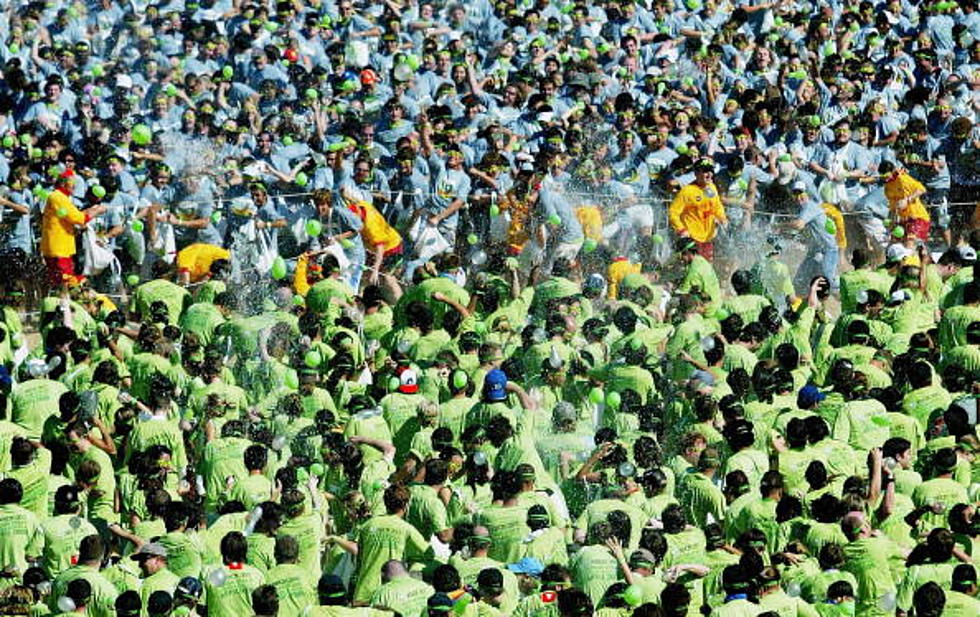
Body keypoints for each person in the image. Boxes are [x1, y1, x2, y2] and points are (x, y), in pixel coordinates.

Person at [40, 171, 108, 287]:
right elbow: (79, 219)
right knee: (66, 282)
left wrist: (91, 210)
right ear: (63, 183)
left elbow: (75, 214)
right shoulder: (57, 197)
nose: (75, 186)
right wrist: (96, 211)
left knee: (60, 281)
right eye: (73, 183)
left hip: (62, 247)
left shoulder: (63, 198)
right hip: (58, 247)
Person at [669, 160, 728, 261]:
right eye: (705, 171)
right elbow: (673, 213)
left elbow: (717, 206)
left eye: (711, 171)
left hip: (708, 237)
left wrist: (722, 218)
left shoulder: (712, 188)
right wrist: (681, 230)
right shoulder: (687, 191)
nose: (709, 174)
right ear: (696, 173)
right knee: (693, 267)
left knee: (707, 266)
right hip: (692, 238)